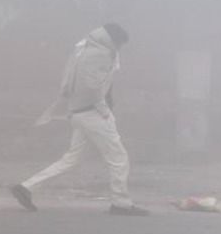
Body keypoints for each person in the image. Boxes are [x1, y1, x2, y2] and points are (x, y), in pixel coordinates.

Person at [10, 23, 149, 216]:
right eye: (119, 44)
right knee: (118, 158)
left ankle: (26, 187)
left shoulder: (83, 49)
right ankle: (121, 203)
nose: (119, 48)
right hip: (93, 114)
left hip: (80, 113)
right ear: (112, 40)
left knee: (72, 159)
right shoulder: (99, 54)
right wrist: (104, 110)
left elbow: (71, 83)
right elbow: (92, 86)